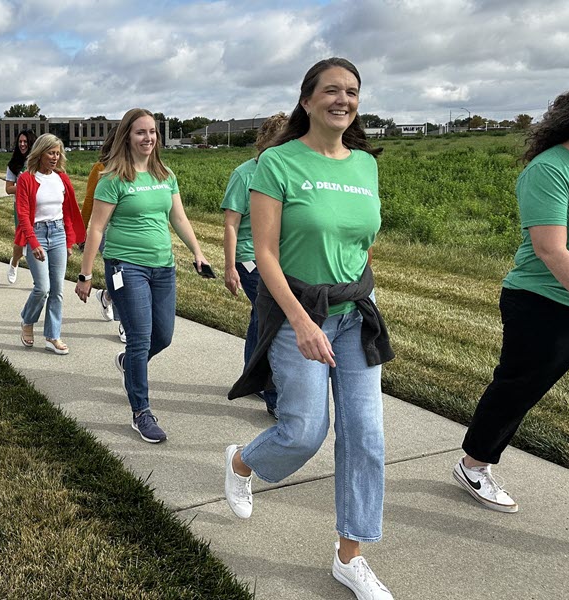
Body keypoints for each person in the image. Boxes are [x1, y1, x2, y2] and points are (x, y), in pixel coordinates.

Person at [223, 58, 395, 600]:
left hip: (353, 313)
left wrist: (357, 291)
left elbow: (361, 240)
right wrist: (300, 321)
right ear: (307, 100)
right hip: (296, 311)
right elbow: (266, 256)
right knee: (303, 431)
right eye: (331, 90)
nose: (342, 99)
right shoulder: (276, 164)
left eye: (352, 91)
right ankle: (241, 461)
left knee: (366, 436)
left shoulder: (365, 165)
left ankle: (351, 555)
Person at [454, 74, 569, 514]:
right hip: (544, 306)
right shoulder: (550, 169)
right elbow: (550, 249)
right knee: (519, 389)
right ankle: (474, 465)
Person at [74, 108, 210, 443]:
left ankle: (129, 363)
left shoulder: (165, 174)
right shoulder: (113, 178)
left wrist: (197, 251)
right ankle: (141, 412)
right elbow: (96, 228)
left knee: (162, 336)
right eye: (140, 132)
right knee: (140, 337)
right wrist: (85, 273)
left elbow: (178, 218)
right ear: (127, 136)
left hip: (162, 267)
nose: (148, 138)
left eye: (152, 132)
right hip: (125, 266)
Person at [221, 113, 288, 419]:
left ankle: (252, 378)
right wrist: (230, 266)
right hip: (249, 258)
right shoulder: (244, 174)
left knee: (260, 319)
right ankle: (275, 398)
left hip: (277, 257)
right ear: (266, 141)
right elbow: (231, 224)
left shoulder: (287, 171)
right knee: (274, 321)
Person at [15, 134, 85, 354]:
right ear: (40, 153)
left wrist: (69, 242)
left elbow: (67, 212)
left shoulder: (61, 179)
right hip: (36, 233)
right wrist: (33, 242)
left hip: (58, 234)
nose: (55, 157)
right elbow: (23, 214)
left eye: (58, 153)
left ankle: (52, 336)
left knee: (57, 290)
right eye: (51, 153)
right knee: (42, 288)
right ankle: (27, 320)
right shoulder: (27, 178)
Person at [81, 127, 125, 342]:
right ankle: (126, 322)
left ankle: (107, 296)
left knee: (125, 277)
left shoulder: (138, 168)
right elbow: (89, 200)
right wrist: (80, 231)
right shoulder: (101, 169)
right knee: (121, 275)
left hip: (128, 230)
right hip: (106, 230)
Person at [5, 129, 37, 284]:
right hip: (21, 207)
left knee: (36, 241)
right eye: (20, 142)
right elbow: (8, 188)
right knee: (21, 242)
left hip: (38, 207)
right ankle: (15, 262)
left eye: (25, 142)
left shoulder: (39, 162)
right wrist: (24, 186)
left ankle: (38, 278)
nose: (22, 144)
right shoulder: (13, 165)